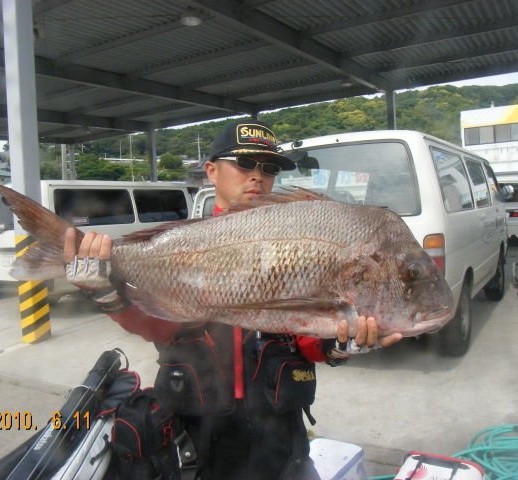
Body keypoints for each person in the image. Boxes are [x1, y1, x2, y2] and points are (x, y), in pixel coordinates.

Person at [64, 121, 402, 480]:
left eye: (269, 168)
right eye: (244, 164)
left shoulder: (294, 238)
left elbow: (306, 337)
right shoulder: (184, 242)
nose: (258, 176)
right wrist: (107, 293)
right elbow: (159, 327)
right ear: (211, 171)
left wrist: (341, 342)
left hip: (282, 438)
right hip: (199, 437)